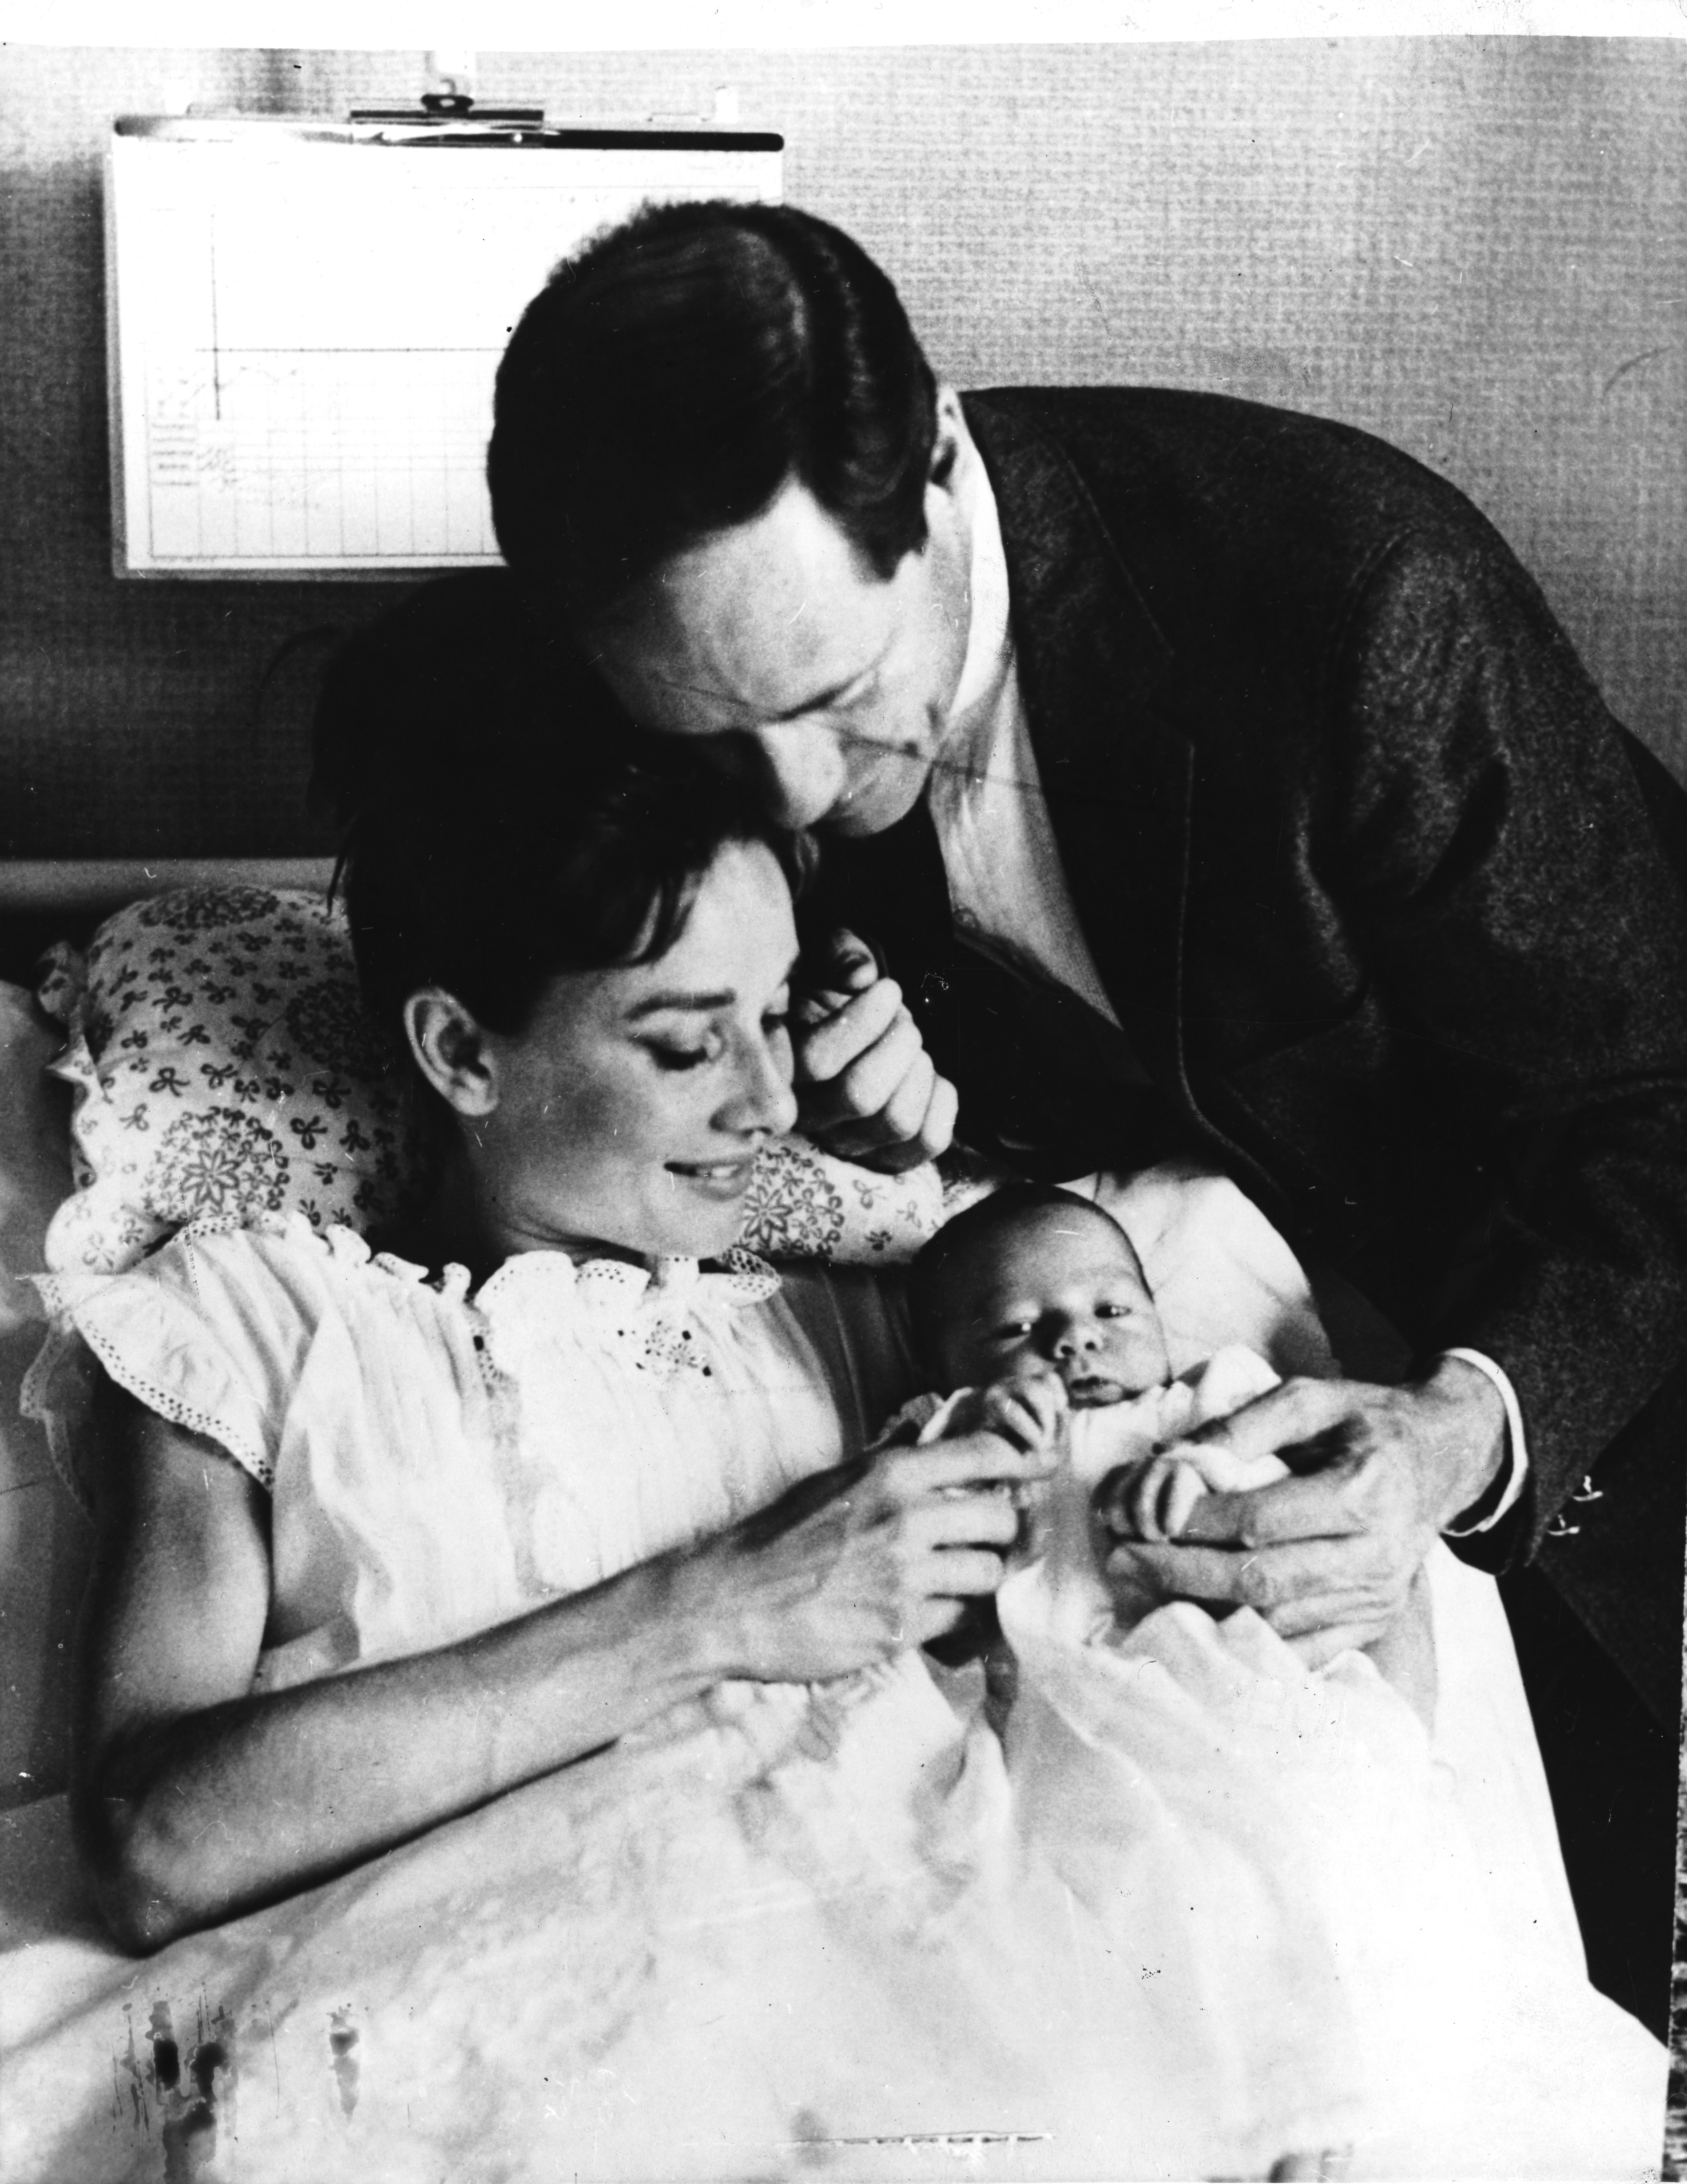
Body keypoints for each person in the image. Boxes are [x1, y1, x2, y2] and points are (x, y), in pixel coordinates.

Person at [28, 666, 1663, 2181]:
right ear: (462, 1049)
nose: (761, 1099)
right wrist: (737, 1599)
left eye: (774, 1014)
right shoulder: (255, 1321)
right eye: (684, 1041)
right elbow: (155, 1842)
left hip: (922, 2043)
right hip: (478, 2054)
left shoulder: (868, 1313)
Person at [487, 198, 1687, 2030]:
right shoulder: (694, 659)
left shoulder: (1353, 603)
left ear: (942, 461)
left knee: (1541, 2007)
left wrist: (1461, 1435)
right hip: (1207, 1312)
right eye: (713, 739)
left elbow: (1645, 1110)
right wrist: (893, 1085)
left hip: (1580, 1324)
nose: (796, 797)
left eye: (831, 700)